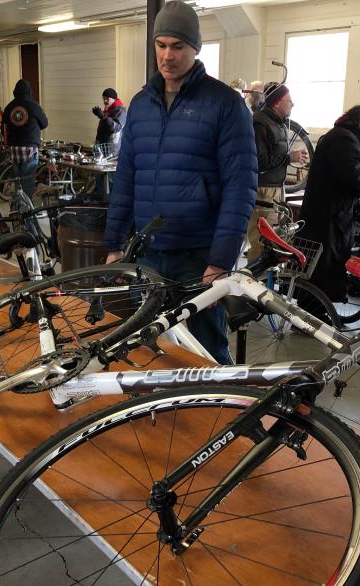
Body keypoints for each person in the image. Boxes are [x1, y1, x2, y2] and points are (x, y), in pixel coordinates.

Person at [103, 0, 257, 364]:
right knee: (154, 346)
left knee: (205, 350)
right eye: (161, 45)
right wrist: (113, 242)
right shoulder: (141, 105)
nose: (167, 56)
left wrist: (220, 261)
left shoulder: (224, 104)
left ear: (195, 48)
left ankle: (222, 416)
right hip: (149, 252)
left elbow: (241, 188)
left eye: (177, 46)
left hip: (198, 256)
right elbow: (126, 177)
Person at [298, 105, 360, 306]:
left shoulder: (339, 136)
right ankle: (313, 315)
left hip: (326, 213)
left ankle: (315, 312)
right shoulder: (345, 139)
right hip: (329, 216)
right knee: (323, 267)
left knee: (320, 265)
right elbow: (353, 176)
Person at [246, 82, 305, 254]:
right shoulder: (260, 123)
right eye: (289, 100)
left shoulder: (277, 122)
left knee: (273, 243)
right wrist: (289, 158)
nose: (292, 103)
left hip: (276, 189)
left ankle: (266, 280)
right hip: (263, 190)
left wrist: (289, 157)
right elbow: (259, 161)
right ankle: (256, 280)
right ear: (277, 102)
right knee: (261, 243)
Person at [1, 79, 48, 198]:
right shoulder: (34, 106)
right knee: (27, 183)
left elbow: (3, 129)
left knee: (18, 183)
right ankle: (27, 214)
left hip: (14, 149)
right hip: (30, 148)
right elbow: (45, 123)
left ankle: (17, 211)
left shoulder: (9, 107)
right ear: (29, 91)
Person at [92, 87, 125, 195]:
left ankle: (111, 201)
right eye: (104, 98)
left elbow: (115, 128)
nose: (105, 101)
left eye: (107, 99)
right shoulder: (108, 109)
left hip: (112, 150)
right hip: (102, 147)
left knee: (110, 178)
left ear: (114, 99)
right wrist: (101, 115)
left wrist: (103, 116)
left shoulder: (120, 110)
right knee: (99, 175)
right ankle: (101, 199)